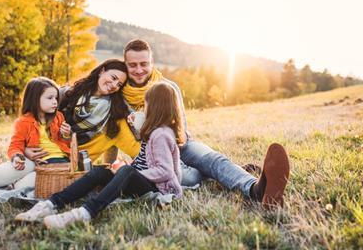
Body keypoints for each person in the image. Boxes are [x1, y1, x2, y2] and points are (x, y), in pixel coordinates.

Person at [121, 39, 290, 208]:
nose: (139, 70)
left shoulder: (168, 87)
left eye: (144, 64)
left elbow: (180, 129)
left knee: (213, 160)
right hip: (153, 156)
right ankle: (227, 172)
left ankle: (256, 189)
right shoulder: (120, 98)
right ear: (125, 65)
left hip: (181, 144)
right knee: (191, 177)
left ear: (151, 63)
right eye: (132, 65)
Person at [15, 82, 184, 228]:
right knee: (99, 171)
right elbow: (145, 161)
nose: (144, 108)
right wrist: (128, 166)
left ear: (155, 106)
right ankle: (51, 204)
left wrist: (128, 172)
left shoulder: (161, 134)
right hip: (144, 180)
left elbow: (165, 172)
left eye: (146, 104)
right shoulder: (154, 131)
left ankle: (85, 212)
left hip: (159, 189)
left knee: (125, 172)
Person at [23, 59, 141, 166]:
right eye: (113, 78)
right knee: (21, 175)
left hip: (74, 162)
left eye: (119, 84)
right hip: (46, 150)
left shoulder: (115, 108)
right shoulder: (68, 93)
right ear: (102, 71)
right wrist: (25, 149)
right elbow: (31, 118)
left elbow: (137, 127)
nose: (114, 85)